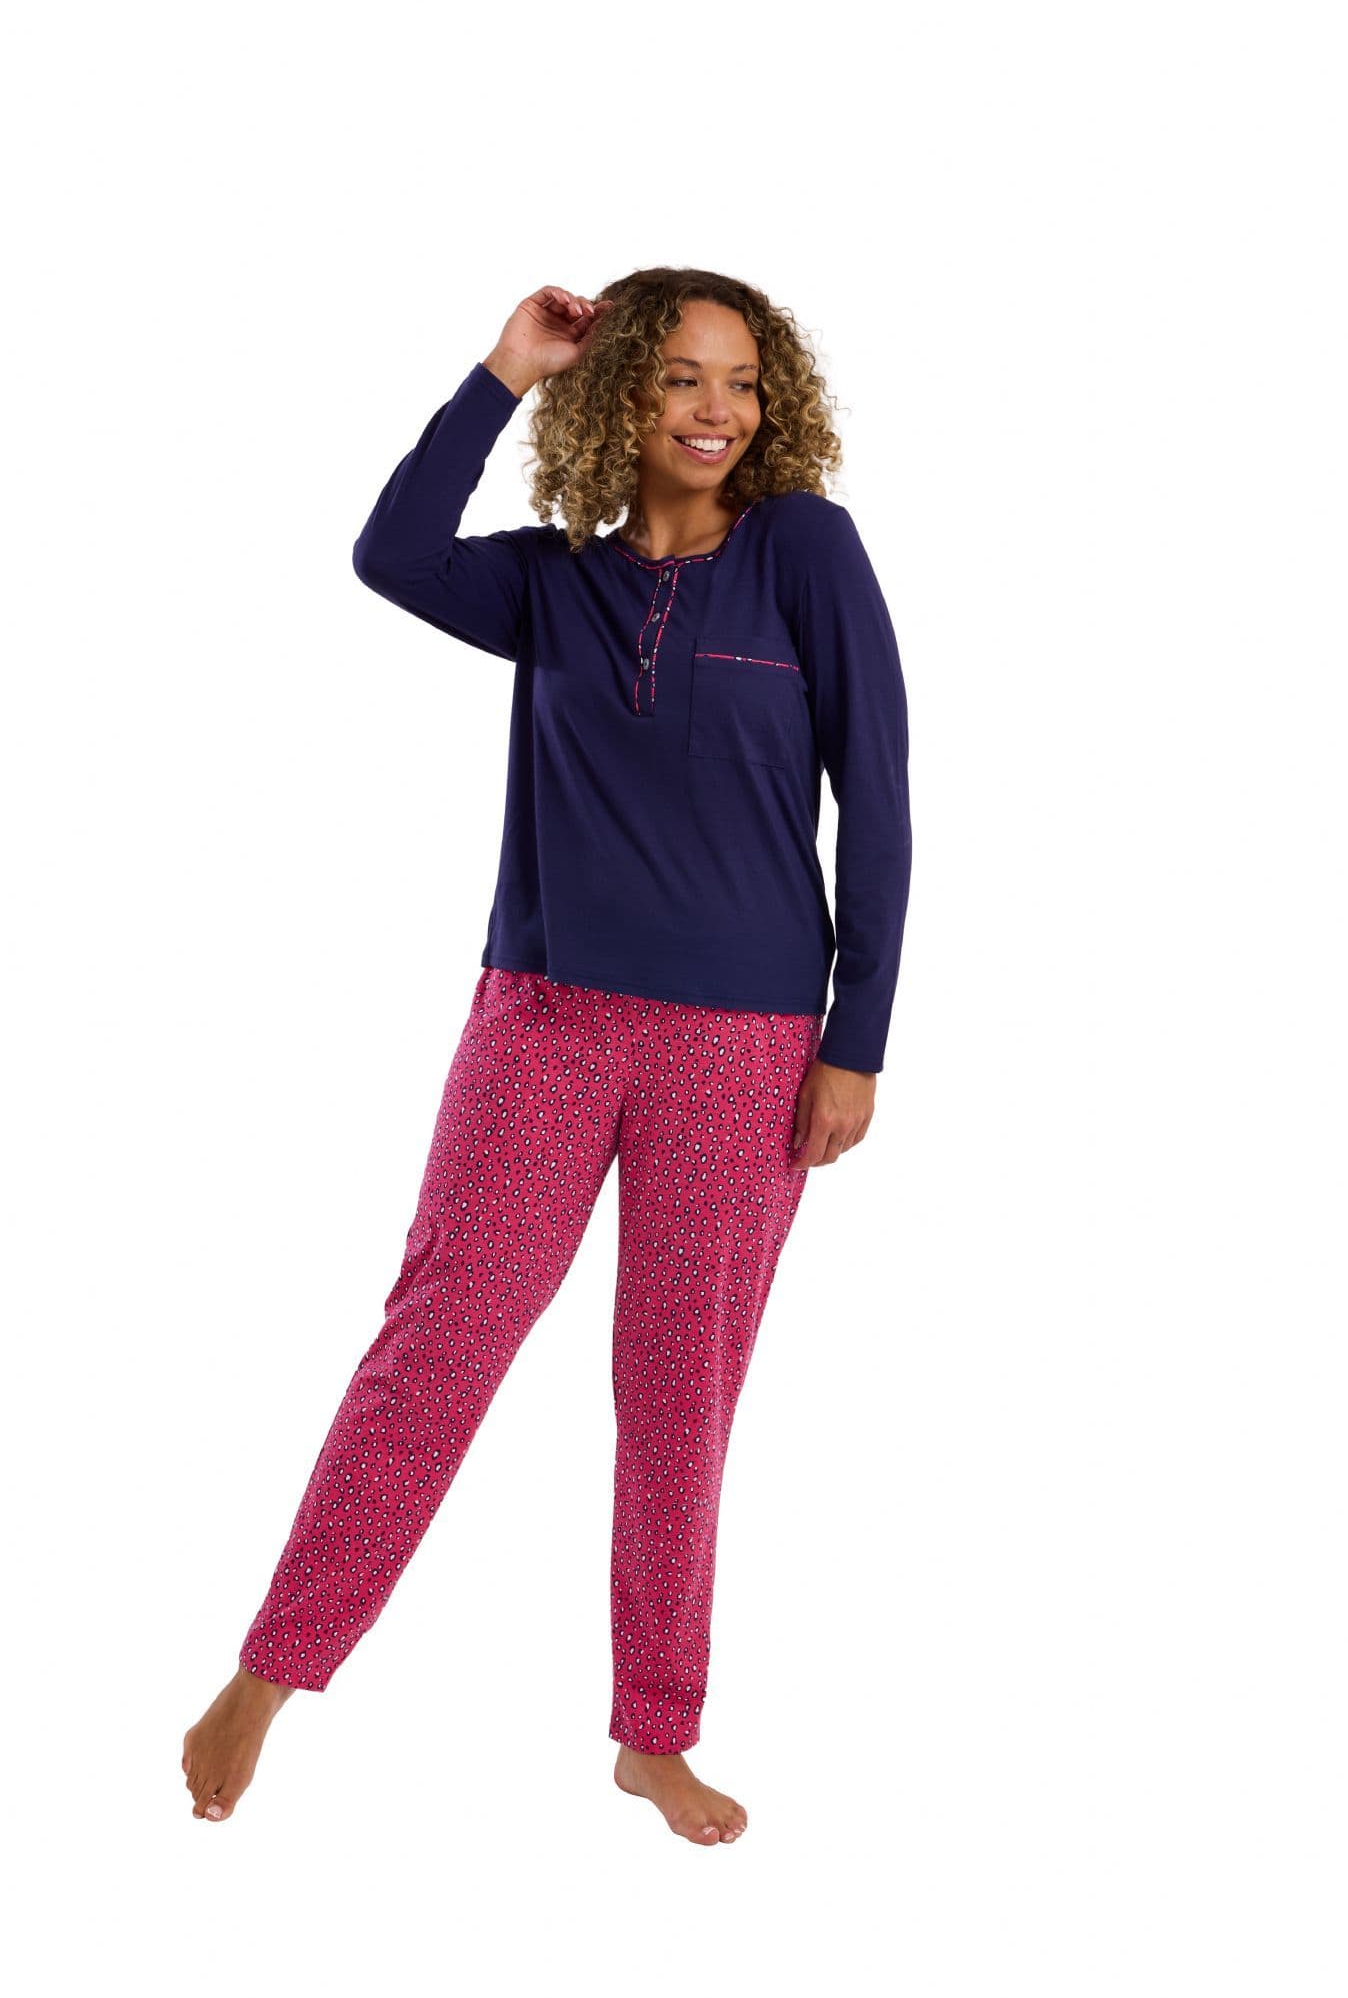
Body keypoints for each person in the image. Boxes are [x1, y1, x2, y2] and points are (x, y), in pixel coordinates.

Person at [182, 268, 913, 1847]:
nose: (715, 410)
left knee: (676, 1394)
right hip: (543, 1023)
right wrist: (505, 368)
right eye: (677, 378)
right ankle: (271, 1669)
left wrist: (854, 1039)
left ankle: (654, 1734)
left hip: (745, 1042)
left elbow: (881, 793)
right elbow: (389, 554)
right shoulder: (551, 583)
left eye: (740, 380)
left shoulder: (803, 550)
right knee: (437, 1343)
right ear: (618, 396)